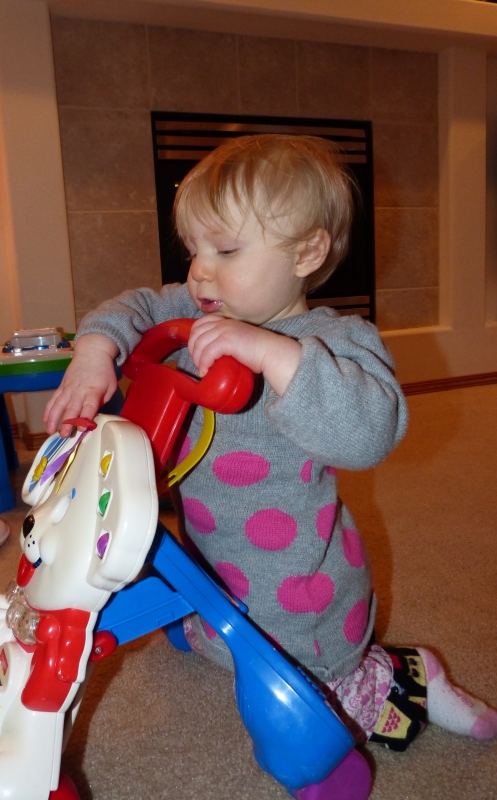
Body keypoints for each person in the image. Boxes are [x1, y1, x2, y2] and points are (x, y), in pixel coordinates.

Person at [44, 134, 497, 752]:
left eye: (226, 249)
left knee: (315, 683)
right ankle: (205, 626)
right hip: (213, 551)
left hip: (303, 584)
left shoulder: (337, 341)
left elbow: (370, 433)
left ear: (307, 252)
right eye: (193, 249)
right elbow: (136, 305)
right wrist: (95, 352)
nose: (200, 270)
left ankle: (411, 675)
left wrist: (273, 355)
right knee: (219, 614)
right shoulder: (194, 307)